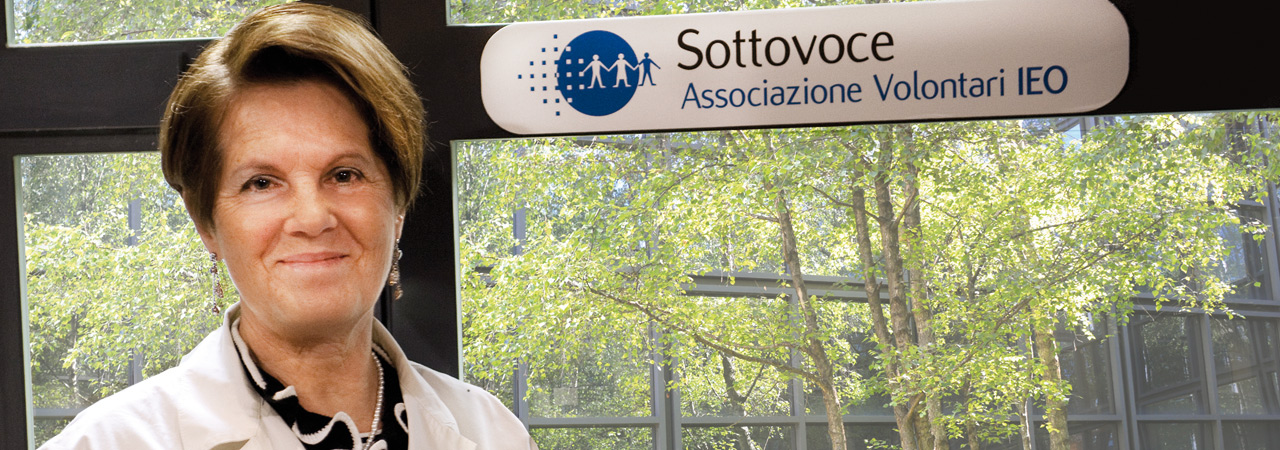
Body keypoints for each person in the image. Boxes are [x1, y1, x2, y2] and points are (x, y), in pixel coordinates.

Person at [38, 3, 535, 449]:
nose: (312, 218)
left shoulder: (493, 433)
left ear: (398, 204)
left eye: (344, 175)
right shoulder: (108, 441)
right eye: (261, 183)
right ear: (205, 222)